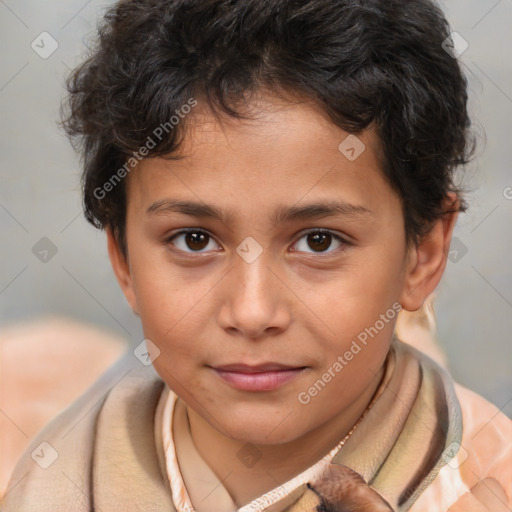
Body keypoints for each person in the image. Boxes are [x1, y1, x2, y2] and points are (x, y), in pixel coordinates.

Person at [2, 0, 510, 510]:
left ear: (422, 252)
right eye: (194, 240)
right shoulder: (45, 483)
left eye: (318, 241)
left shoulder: (487, 481)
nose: (251, 312)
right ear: (124, 260)